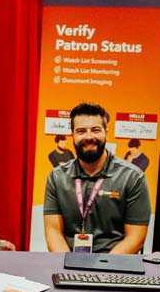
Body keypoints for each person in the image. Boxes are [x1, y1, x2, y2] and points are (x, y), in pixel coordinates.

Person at [43, 102, 151, 254]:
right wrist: (69, 265)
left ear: (106, 133)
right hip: (69, 260)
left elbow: (136, 238)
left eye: (95, 130)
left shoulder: (133, 177)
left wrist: (102, 266)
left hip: (115, 263)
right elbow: (54, 233)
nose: (89, 137)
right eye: (81, 131)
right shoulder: (56, 178)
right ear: (72, 135)